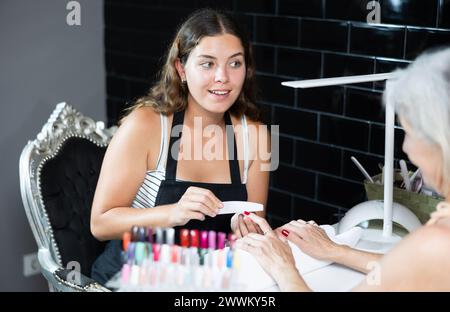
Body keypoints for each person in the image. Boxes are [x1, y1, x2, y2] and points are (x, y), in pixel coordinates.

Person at [236, 47, 450, 291]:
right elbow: (415, 269)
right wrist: (337, 251)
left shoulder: (437, 242)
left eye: (410, 133)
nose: (406, 148)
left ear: (441, 140)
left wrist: (283, 267)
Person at [90, 8, 270, 284]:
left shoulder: (255, 136)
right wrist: (173, 212)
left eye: (235, 63)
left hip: (211, 277)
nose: (223, 77)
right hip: (135, 274)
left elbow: (253, 226)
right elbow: (101, 224)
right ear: (181, 69)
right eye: (207, 64)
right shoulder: (146, 126)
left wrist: (242, 228)